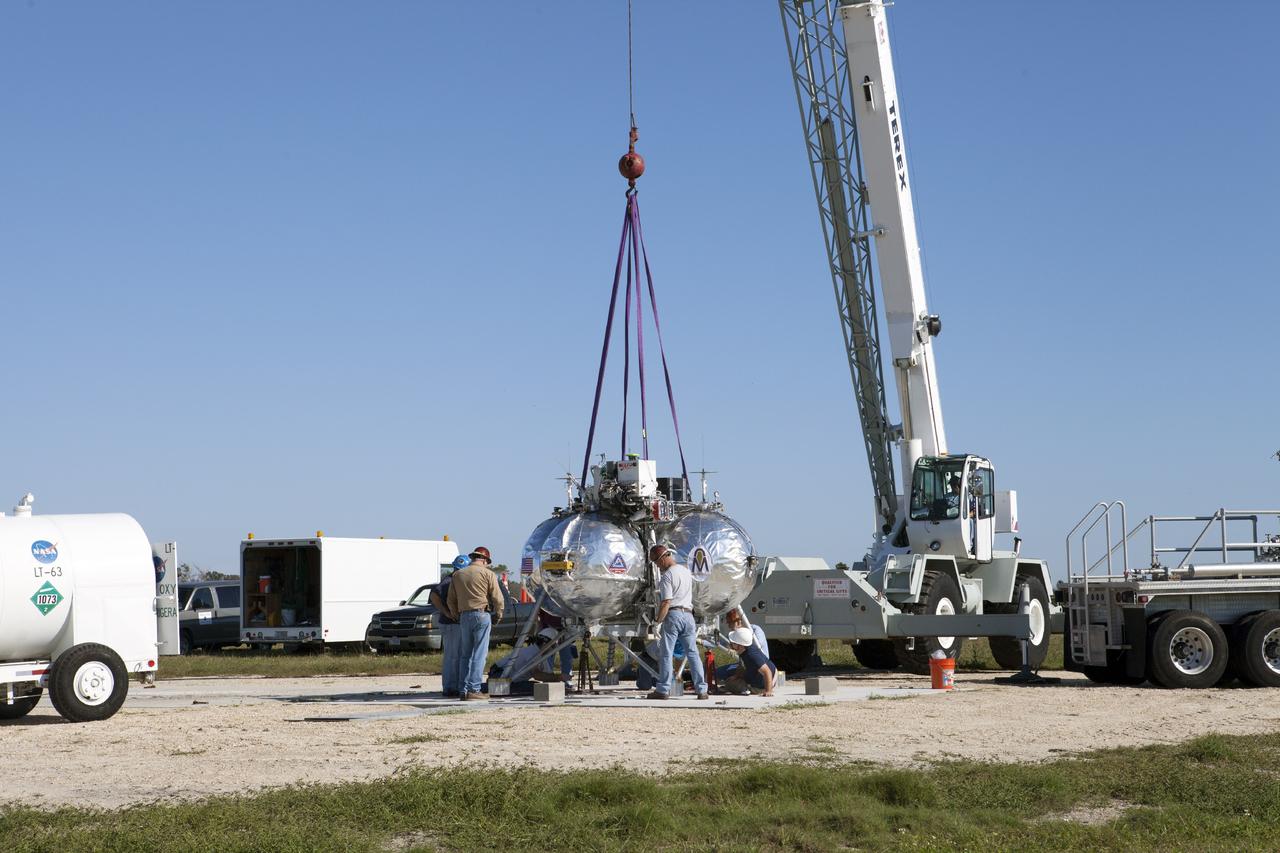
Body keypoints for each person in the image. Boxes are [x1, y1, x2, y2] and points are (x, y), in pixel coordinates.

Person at [647, 544, 708, 701]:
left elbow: (666, 602)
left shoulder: (667, 576)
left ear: (663, 558)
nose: (657, 566)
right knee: (693, 653)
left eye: (657, 562)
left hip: (673, 615)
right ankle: (702, 690)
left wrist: (657, 621)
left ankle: (663, 690)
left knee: (666, 654)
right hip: (688, 615)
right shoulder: (686, 571)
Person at [446, 546, 504, 701]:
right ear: (484, 560)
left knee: (465, 655)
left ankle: (463, 689)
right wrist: (498, 614)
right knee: (479, 654)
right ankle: (474, 689)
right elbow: (498, 598)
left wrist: (455, 615)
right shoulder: (487, 573)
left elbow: (450, 600)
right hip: (481, 614)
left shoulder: (458, 574)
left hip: (464, 616)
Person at [430, 554, 469, 698]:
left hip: (456, 623)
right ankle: (450, 687)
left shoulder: (456, 579)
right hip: (451, 624)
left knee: (458, 655)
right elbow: (434, 595)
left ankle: (455, 685)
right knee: (453, 656)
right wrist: (446, 612)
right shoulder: (449, 580)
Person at [715, 608, 769, 683]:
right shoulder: (735, 634)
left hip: (758, 664)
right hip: (745, 664)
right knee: (717, 672)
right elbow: (721, 642)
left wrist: (736, 649)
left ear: (738, 622)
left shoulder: (755, 630)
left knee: (727, 678)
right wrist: (701, 641)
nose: (729, 626)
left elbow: (756, 648)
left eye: (729, 623)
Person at [724, 626, 777, 697]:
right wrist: (736, 676)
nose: (731, 644)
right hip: (760, 677)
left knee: (730, 684)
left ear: (741, 645)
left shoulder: (751, 655)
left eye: (733, 643)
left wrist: (768, 691)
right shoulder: (744, 650)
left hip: (761, 685)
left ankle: (748, 689)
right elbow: (742, 666)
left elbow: (767, 672)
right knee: (730, 680)